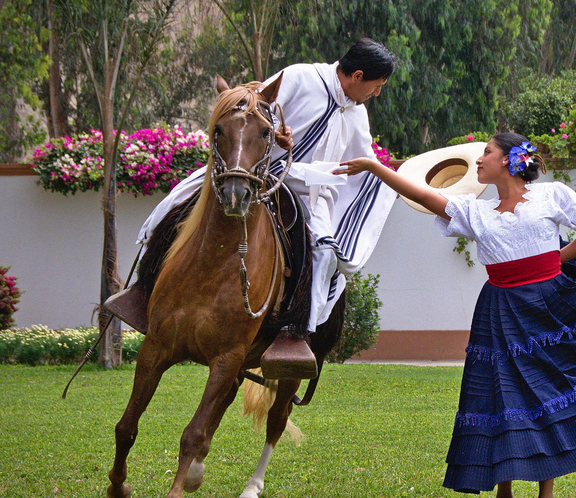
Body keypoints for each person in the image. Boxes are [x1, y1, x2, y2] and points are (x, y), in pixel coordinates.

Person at [335, 131, 576, 498]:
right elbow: (422, 194)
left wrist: (553, 261)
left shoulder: (553, 194)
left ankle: (545, 491)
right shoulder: (475, 211)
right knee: (503, 395)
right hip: (499, 310)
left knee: (546, 391)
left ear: (507, 160)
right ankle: (504, 489)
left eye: (486, 152)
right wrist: (377, 167)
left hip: (548, 306)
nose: (478, 159)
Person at [107, 38, 398, 378]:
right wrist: (276, 134)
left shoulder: (357, 114)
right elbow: (248, 106)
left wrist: (387, 181)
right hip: (251, 171)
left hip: (310, 193)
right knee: (172, 204)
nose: (375, 94)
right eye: (377, 87)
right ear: (358, 75)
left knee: (325, 251)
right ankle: (145, 291)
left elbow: (358, 163)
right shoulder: (300, 77)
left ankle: (295, 333)